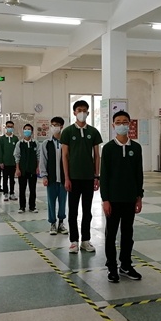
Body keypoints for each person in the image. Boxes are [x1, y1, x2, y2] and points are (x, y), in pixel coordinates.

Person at [100, 110, 143, 283]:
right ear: (113, 125)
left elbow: (139, 174)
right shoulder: (108, 148)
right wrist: (105, 199)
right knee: (111, 234)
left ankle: (125, 265)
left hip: (130, 199)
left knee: (127, 234)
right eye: (118, 122)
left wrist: (139, 196)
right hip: (113, 200)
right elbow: (104, 176)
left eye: (125, 122)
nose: (122, 124)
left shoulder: (136, 148)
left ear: (130, 124)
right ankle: (112, 267)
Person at [61, 100, 103, 253]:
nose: (82, 113)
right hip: (73, 178)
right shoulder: (67, 132)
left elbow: (97, 156)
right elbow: (65, 156)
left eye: (85, 110)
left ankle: (86, 240)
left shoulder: (93, 132)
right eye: (79, 110)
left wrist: (96, 176)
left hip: (88, 178)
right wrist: (66, 178)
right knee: (72, 211)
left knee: (87, 211)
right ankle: (73, 241)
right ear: (74, 112)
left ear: (88, 113)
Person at [39, 117, 68, 236]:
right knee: (51, 202)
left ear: (61, 126)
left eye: (57, 125)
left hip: (64, 179)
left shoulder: (66, 142)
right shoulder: (46, 143)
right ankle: (52, 223)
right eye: (52, 125)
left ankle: (61, 223)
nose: (54, 127)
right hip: (51, 179)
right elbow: (43, 160)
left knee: (63, 202)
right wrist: (44, 176)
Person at [14, 124, 40, 214]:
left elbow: (38, 156)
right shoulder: (19, 143)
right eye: (25, 129)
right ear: (23, 131)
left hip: (32, 169)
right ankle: (22, 207)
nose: (27, 131)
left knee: (32, 189)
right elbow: (17, 156)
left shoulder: (35, 143)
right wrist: (17, 169)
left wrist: (38, 167)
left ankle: (32, 206)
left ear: (32, 131)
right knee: (22, 189)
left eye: (29, 129)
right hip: (22, 170)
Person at [0, 120, 19, 201]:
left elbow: (18, 151)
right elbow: (0, 151)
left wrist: (17, 162)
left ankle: (12, 193)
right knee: (5, 179)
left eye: (11, 127)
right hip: (5, 163)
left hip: (13, 162)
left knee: (12, 179)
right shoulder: (2, 139)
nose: (10, 128)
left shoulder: (15, 138)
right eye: (8, 127)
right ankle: (5, 193)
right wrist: (1, 161)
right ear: (6, 127)